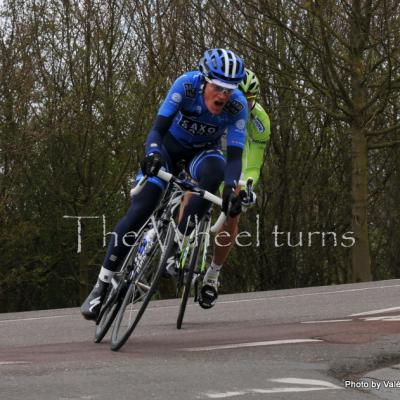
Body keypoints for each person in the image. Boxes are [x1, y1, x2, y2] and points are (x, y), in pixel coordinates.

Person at [81, 48, 248, 320]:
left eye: (229, 90)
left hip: (202, 154)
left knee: (216, 171)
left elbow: (235, 156)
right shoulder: (186, 85)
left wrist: (230, 189)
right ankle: (102, 282)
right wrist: (153, 154)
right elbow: (157, 130)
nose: (222, 96)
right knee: (142, 207)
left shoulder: (237, 106)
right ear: (205, 80)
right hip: (167, 151)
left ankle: (178, 242)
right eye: (217, 88)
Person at [199, 68, 271, 309]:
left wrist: (246, 187)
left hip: (236, 165)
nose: (242, 104)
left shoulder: (260, 121)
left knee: (233, 214)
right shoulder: (213, 106)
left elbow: (253, 163)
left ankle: (213, 276)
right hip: (209, 154)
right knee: (192, 188)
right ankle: (181, 246)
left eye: (249, 100)